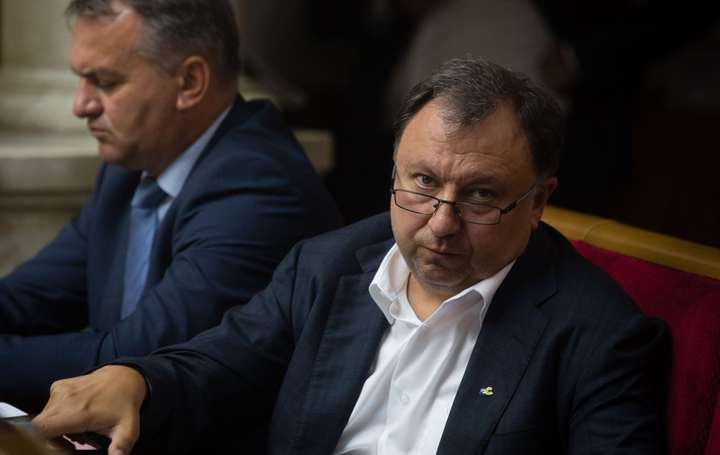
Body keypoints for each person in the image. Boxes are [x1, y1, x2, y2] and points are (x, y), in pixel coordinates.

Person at [34, 57, 667, 455]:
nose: (441, 223)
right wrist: (139, 380)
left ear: (538, 202)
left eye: (480, 196)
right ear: (393, 170)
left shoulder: (599, 336)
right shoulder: (327, 265)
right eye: (422, 182)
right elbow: (220, 366)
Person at [0, 0, 342, 412]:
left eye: (105, 82)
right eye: (81, 80)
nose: (81, 105)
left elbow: (128, 361)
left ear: (190, 82)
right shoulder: (130, 168)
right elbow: (31, 297)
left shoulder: (259, 189)